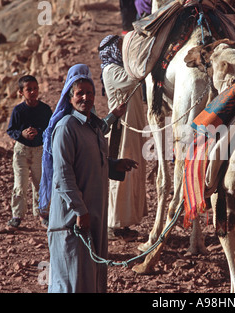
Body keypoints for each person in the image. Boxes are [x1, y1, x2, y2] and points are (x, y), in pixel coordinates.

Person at [39, 64, 138, 293]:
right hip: (72, 219)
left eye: (90, 93)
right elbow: (63, 175)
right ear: (70, 97)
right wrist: (80, 211)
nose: (85, 97)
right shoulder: (66, 128)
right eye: (80, 93)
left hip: (92, 216)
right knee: (71, 280)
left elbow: (92, 159)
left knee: (90, 277)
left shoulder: (92, 126)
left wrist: (115, 165)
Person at [99, 35, 147, 240]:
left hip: (132, 129)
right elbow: (135, 77)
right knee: (120, 175)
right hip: (121, 130)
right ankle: (114, 224)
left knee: (131, 174)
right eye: (120, 46)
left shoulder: (118, 69)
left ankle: (124, 222)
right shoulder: (111, 71)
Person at [6, 75, 52, 228]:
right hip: (22, 151)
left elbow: (50, 128)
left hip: (39, 151)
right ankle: (17, 216)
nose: (33, 92)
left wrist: (38, 132)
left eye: (35, 88)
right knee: (20, 184)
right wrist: (22, 134)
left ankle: (43, 214)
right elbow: (11, 130)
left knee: (41, 183)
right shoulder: (18, 110)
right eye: (28, 89)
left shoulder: (45, 109)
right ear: (21, 92)